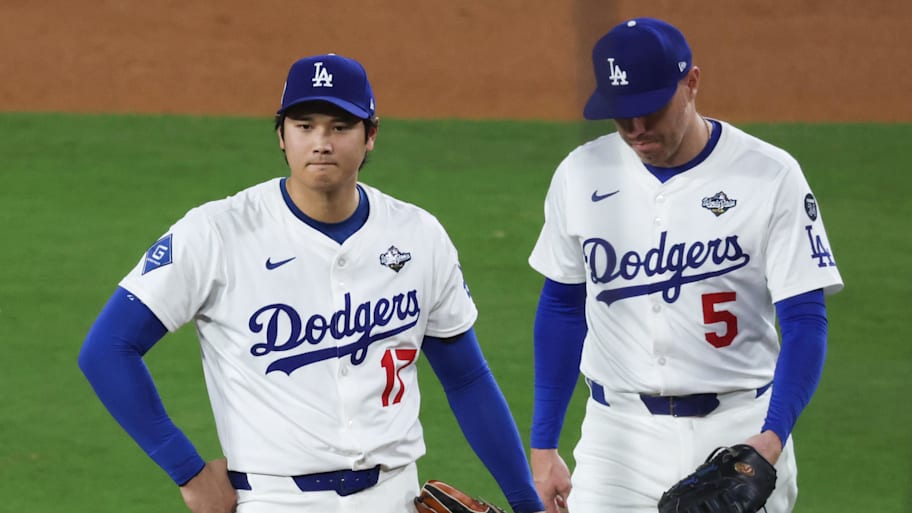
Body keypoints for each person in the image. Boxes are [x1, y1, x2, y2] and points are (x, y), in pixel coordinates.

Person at [79, 53, 545, 513]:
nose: (321, 142)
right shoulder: (216, 233)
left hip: (396, 494)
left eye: (340, 127)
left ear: (371, 136)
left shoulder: (419, 236)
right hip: (273, 499)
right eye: (305, 126)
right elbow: (107, 349)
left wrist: (528, 503)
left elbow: (466, 377)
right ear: (281, 135)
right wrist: (187, 470)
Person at [527, 18, 843, 513]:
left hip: (740, 432)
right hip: (618, 439)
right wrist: (543, 447)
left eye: (649, 110)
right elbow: (562, 308)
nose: (635, 129)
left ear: (691, 82)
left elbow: (805, 320)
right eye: (620, 115)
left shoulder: (770, 175)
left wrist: (770, 441)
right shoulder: (580, 173)